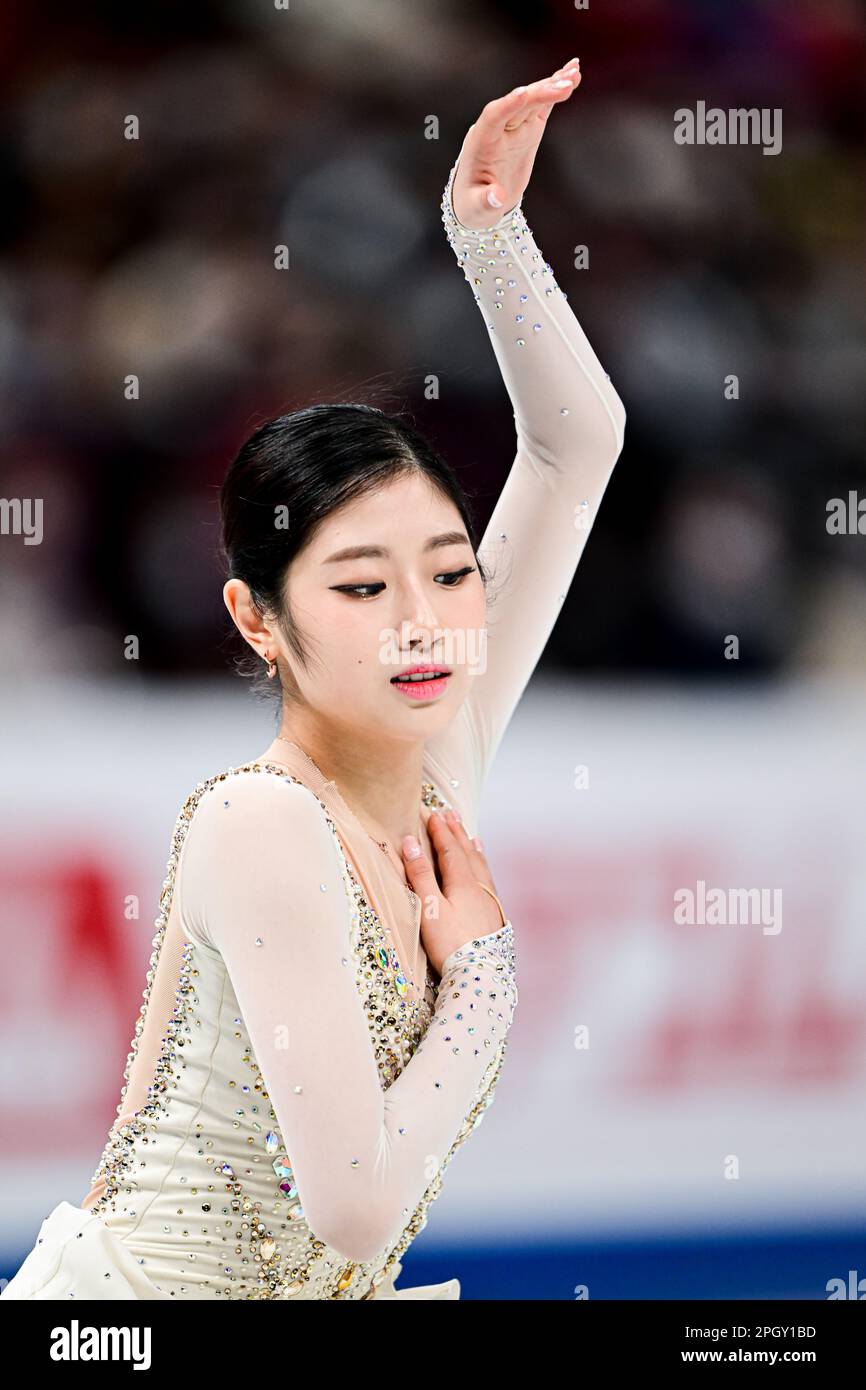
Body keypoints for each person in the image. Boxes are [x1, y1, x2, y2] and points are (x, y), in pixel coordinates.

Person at [1, 57, 625, 1300]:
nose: (422, 625)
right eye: (358, 587)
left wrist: (486, 237)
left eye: (450, 574)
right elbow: (351, 1208)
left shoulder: (434, 763)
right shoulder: (260, 821)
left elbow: (574, 445)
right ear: (258, 619)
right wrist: (485, 980)